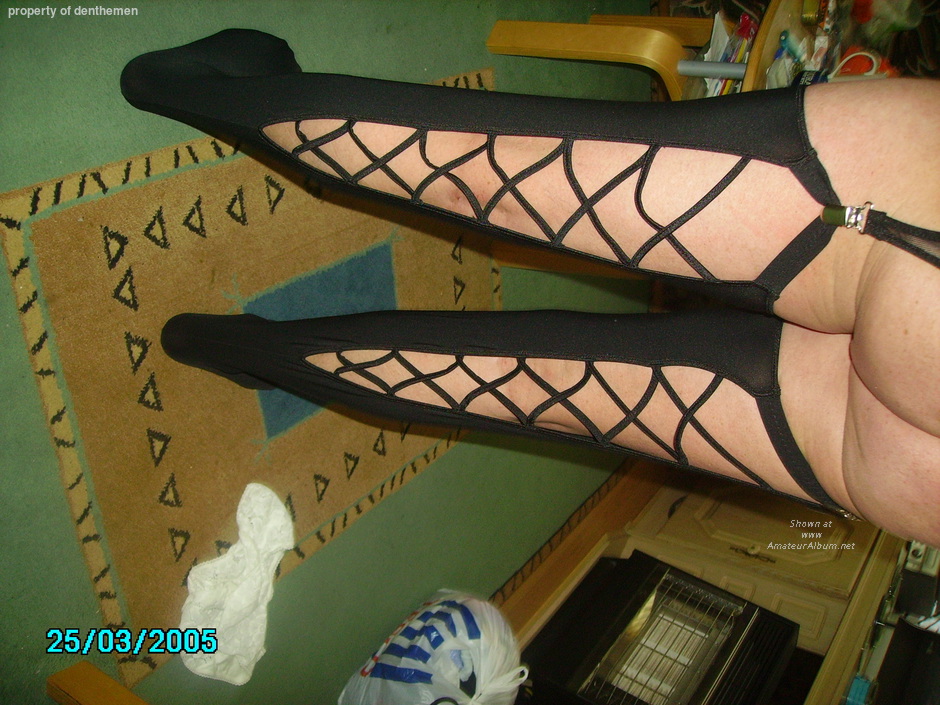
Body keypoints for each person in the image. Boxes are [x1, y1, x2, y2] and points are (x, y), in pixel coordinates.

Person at [121, 29, 940, 547]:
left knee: (494, 171)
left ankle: (198, 88)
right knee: (519, 383)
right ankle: (246, 351)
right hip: (907, 476)